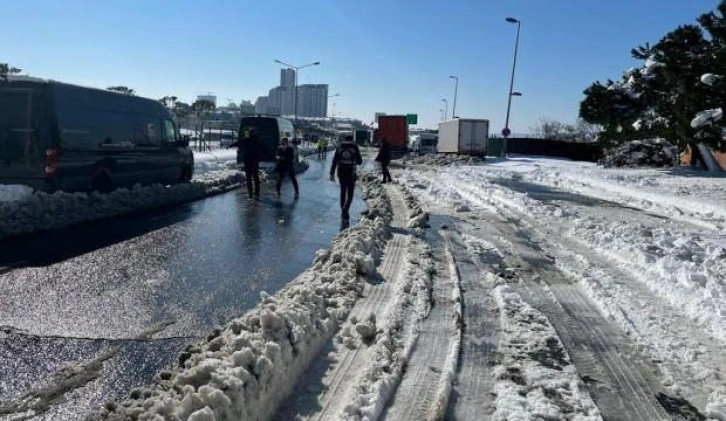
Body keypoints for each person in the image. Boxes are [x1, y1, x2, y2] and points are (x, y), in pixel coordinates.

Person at [330, 135, 363, 221]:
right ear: (352, 140)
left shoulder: (339, 146)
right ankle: (346, 209)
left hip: (341, 173)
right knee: (350, 193)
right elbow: (360, 161)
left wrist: (331, 173)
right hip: (351, 173)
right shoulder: (355, 147)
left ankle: (343, 212)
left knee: (343, 192)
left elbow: (334, 160)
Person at [229, 128, 262, 199]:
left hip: (247, 161)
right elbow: (264, 149)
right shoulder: (258, 141)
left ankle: (250, 193)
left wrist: (230, 146)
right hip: (255, 161)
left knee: (249, 177)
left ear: (249, 134)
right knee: (256, 177)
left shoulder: (246, 140)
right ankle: (257, 192)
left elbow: (238, 143)